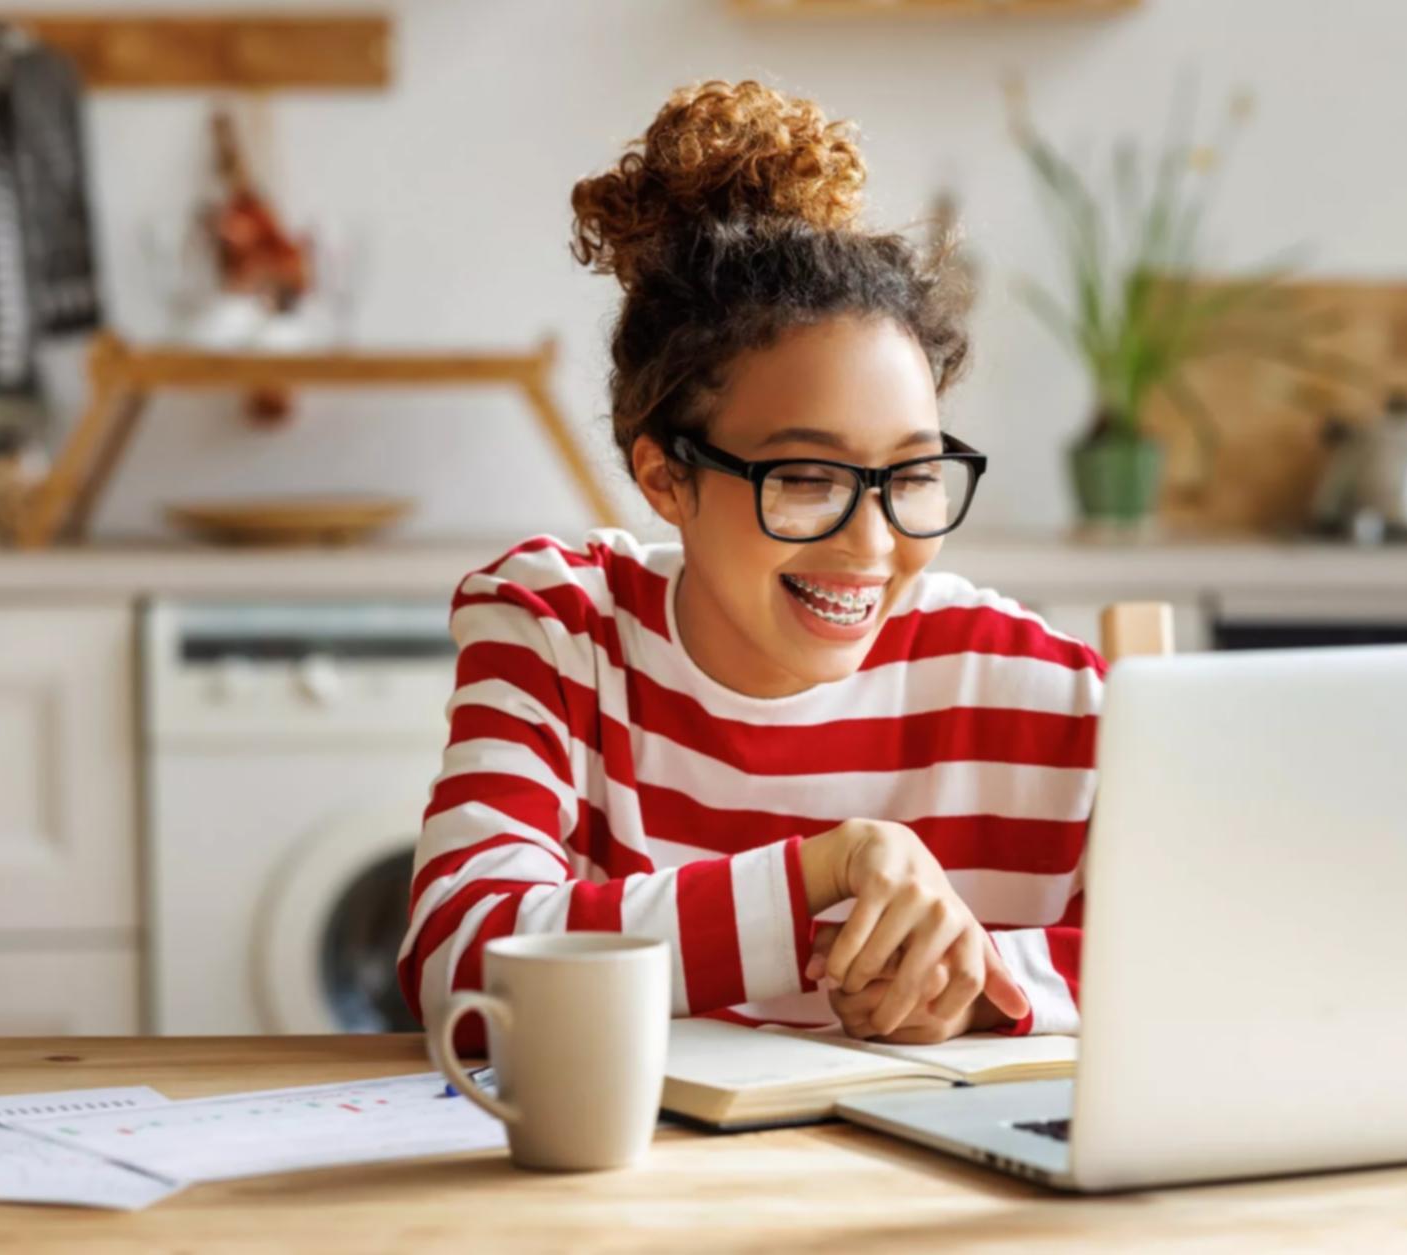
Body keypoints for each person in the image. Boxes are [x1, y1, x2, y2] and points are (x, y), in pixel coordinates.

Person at [399, 79, 1104, 1054]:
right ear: (665, 477)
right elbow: (459, 961)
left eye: (911, 473)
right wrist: (827, 868)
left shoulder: (1037, 686)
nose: (871, 542)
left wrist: (988, 982)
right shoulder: (559, 628)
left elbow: (1230, 948)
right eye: (807, 477)